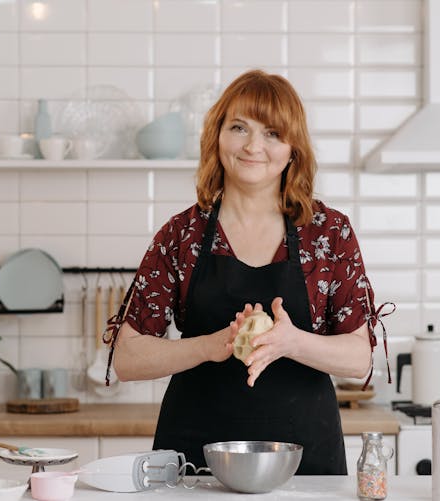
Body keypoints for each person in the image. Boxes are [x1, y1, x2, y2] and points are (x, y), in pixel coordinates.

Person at [109, 69, 381, 475]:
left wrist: (289, 342)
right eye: (240, 128)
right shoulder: (181, 235)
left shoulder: (329, 233)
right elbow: (127, 358)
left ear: (293, 148)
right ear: (217, 136)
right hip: (194, 464)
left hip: (304, 465)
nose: (254, 145)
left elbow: (359, 357)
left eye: (272, 133)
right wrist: (211, 345)